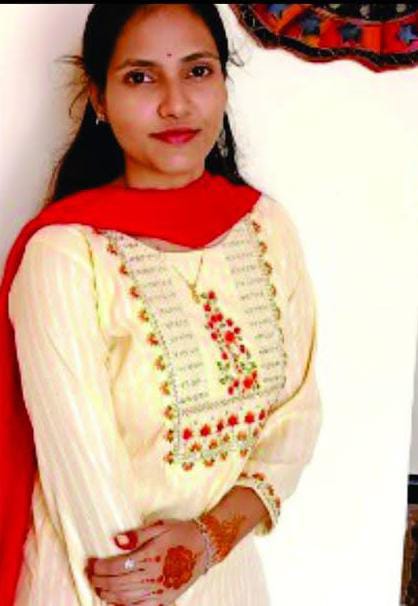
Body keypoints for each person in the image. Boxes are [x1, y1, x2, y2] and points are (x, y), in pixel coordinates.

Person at [0, 4, 323, 605]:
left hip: (228, 580)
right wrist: (157, 577)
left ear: (223, 81)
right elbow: (86, 482)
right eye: (141, 77)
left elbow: (295, 419)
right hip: (90, 585)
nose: (176, 104)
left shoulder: (265, 227)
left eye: (197, 71)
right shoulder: (67, 255)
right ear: (99, 99)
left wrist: (207, 542)